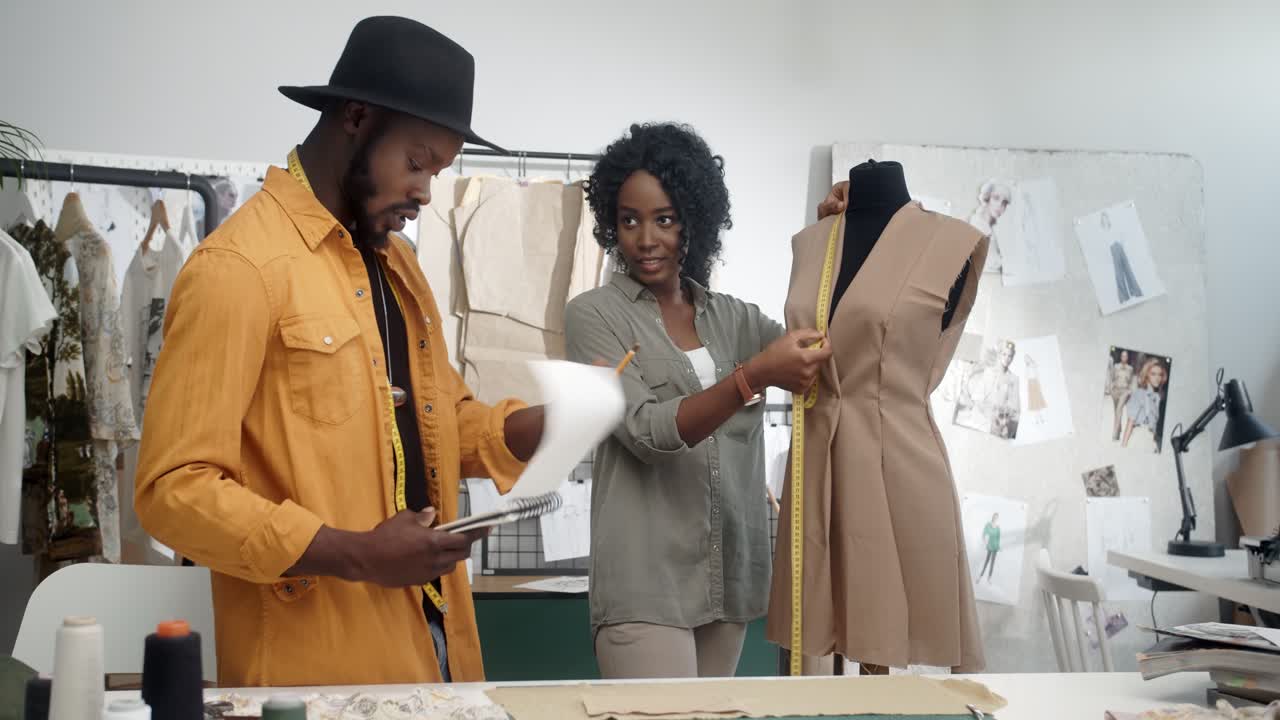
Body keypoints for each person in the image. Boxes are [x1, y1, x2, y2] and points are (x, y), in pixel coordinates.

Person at [134, 17, 545, 687]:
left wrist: (559, 420)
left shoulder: (397, 267)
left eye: (437, 172)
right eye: (417, 163)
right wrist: (353, 554)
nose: (425, 192)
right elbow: (172, 491)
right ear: (356, 117)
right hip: (314, 675)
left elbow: (443, 422)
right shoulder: (239, 268)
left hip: (440, 651)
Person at [564, 123, 832, 679]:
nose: (645, 239)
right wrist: (752, 376)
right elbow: (646, 431)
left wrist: (836, 237)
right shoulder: (593, 316)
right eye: (629, 220)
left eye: (664, 219)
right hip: (646, 584)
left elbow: (822, 346)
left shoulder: (735, 318)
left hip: (728, 578)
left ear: (693, 220)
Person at [1122, 357, 1168, 450]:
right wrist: (1123, 447)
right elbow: (1130, 422)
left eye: (1160, 374)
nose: (1157, 378)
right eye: (1153, 374)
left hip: (1151, 441)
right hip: (1139, 438)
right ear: (1146, 375)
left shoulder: (1157, 397)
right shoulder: (1139, 394)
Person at [1106, 349, 1136, 441]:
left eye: (1125, 356)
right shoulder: (1116, 366)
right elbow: (1112, 378)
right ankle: (1119, 429)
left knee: (1119, 410)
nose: (1124, 357)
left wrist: (1130, 391)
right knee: (1116, 412)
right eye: (1122, 356)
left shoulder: (1130, 368)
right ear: (1120, 357)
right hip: (1115, 391)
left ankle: (1115, 435)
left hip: (1124, 392)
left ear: (1127, 357)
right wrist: (1110, 389)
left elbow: (1131, 381)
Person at [979, 513, 1000, 582]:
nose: (995, 518)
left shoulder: (998, 528)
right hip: (990, 546)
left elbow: (998, 538)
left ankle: (989, 578)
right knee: (986, 561)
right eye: (994, 517)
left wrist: (998, 547)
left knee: (992, 563)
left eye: (996, 517)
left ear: (997, 519)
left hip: (995, 547)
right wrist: (985, 542)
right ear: (992, 517)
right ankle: (980, 576)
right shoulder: (988, 525)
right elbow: (984, 534)